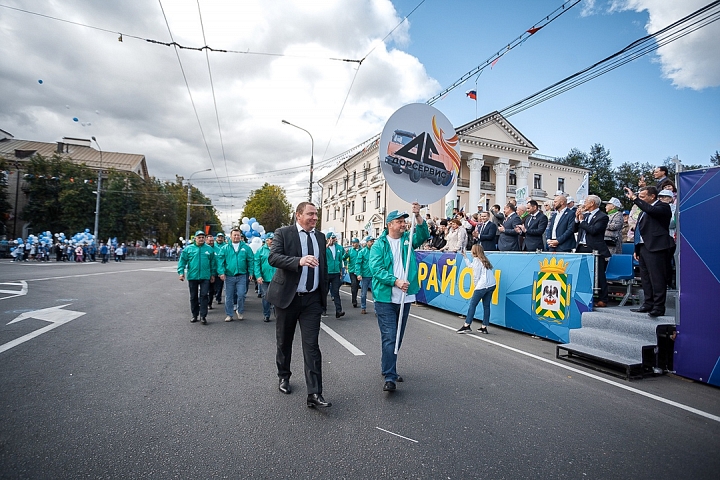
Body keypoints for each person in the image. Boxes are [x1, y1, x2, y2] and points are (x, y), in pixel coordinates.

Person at [266, 202, 331, 408]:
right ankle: (284, 375)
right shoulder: (284, 233)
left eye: (316, 214)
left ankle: (314, 393)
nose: (314, 218)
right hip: (288, 297)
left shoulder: (320, 237)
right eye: (310, 214)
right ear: (298, 215)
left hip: (311, 300)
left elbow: (324, 267)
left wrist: (324, 293)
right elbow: (273, 257)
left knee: (312, 346)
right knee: (284, 341)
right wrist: (299, 261)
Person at [370, 204, 429, 392]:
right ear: (389, 225)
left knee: (397, 337)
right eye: (399, 221)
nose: (403, 224)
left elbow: (423, 234)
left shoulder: (408, 239)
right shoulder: (379, 245)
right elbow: (376, 269)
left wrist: (418, 215)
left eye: (404, 221)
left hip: (405, 297)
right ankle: (390, 376)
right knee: (390, 336)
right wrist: (395, 281)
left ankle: (388, 366)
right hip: (385, 297)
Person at [624, 186, 674, 317]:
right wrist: (637, 248)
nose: (640, 199)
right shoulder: (643, 211)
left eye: (642, 196)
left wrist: (634, 198)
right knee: (645, 278)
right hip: (643, 247)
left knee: (657, 278)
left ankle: (658, 307)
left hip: (657, 247)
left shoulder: (663, 207)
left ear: (652, 196)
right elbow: (640, 230)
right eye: (639, 196)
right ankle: (648, 303)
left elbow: (651, 210)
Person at [574, 195, 611, 308]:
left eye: (586, 202)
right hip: (581, 246)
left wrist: (582, 221)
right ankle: (585, 297)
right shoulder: (584, 216)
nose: (584, 204)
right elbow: (575, 229)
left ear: (592, 203)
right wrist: (577, 219)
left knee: (598, 274)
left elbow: (594, 230)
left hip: (595, 248)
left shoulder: (602, 216)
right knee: (583, 274)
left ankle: (603, 299)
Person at [177, 230, 216, 325]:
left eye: (203, 237)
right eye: (199, 237)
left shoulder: (209, 249)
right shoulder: (188, 249)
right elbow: (182, 261)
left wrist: (212, 274)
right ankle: (194, 315)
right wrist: (181, 273)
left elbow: (213, 263)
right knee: (193, 296)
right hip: (193, 276)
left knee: (204, 295)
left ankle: (203, 316)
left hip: (205, 276)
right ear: (195, 238)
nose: (201, 239)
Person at [456, 244, 497, 334]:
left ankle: (467, 325)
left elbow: (476, 276)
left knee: (472, 305)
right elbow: (471, 266)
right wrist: (465, 257)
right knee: (486, 306)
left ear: (474, 251)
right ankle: (484, 327)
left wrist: (476, 287)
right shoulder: (484, 260)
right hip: (492, 284)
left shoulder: (476, 260)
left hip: (482, 285)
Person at [217, 228, 254, 322]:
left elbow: (250, 260)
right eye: (235, 235)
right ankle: (229, 314)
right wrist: (221, 272)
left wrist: (251, 272)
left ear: (240, 236)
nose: (236, 237)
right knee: (228, 296)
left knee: (241, 295)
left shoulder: (246, 247)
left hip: (242, 275)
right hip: (229, 276)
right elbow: (220, 261)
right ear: (231, 236)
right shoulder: (225, 248)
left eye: (238, 235)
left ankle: (240, 311)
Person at [254, 233, 276, 322]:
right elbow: (256, 264)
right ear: (266, 240)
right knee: (266, 296)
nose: (272, 241)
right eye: (270, 239)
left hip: (276, 278)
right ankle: (266, 314)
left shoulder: (279, 250)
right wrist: (258, 276)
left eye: (274, 239)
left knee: (276, 297)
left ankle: (277, 314)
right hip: (265, 278)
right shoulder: (260, 251)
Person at [324, 232, 346, 318]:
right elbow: (320, 253)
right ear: (328, 239)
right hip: (327, 272)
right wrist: (327, 245)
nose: (334, 240)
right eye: (332, 238)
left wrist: (341, 271)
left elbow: (340, 260)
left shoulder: (339, 248)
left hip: (336, 272)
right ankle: (323, 309)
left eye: (334, 238)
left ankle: (338, 310)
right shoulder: (325, 248)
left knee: (336, 292)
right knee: (325, 291)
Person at [354, 235, 375, 314]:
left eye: (373, 241)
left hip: (374, 276)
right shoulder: (362, 252)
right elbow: (358, 263)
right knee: (363, 293)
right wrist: (359, 274)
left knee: (375, 293)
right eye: (371, 241)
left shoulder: (375, 251)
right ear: (367, 242)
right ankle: (363, 307)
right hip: (365, 275)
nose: (372, 243)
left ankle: (376, 310)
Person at [346, 238, 361, 308]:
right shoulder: (350, 251)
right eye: (352, 243)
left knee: (357, 286)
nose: (352, 244)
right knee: (354, 285)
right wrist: (346, 254)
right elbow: (344, 258)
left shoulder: (362, 250)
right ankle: (354, 300)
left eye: (354, 243)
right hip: (352, 270)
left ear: (357, 243)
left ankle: (355, 298)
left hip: (359, 271)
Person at [212, 232, 226, 305]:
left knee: (220, 285)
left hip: (221, 269)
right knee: (213, 285)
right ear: (216, 238)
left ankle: (218, 297)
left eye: (221, 237)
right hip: (213, 269)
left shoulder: (225, 246)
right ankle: (214, 293)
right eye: (219, 237)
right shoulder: (213, 246)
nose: (220, 239)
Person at [205, 234, 217, 309]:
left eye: (212, 241)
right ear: (206, 240)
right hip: (204, 273)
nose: (211, 242)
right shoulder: (204, 249)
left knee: (212, 290)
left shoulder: (217, 248)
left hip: (214, 272)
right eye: (210, 241)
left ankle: (209, 303)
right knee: (204, 290)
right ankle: (203, 303)